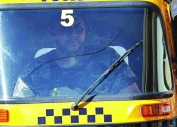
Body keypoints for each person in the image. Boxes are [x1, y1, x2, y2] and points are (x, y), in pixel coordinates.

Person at [12, 14, 140, 99]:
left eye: (78, 27)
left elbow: (132, 98)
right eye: (65, 28)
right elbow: (18, 113)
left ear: (85, 29)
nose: (73, 34)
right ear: (52, 33)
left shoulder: (109, 60)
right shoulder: (33, 71)